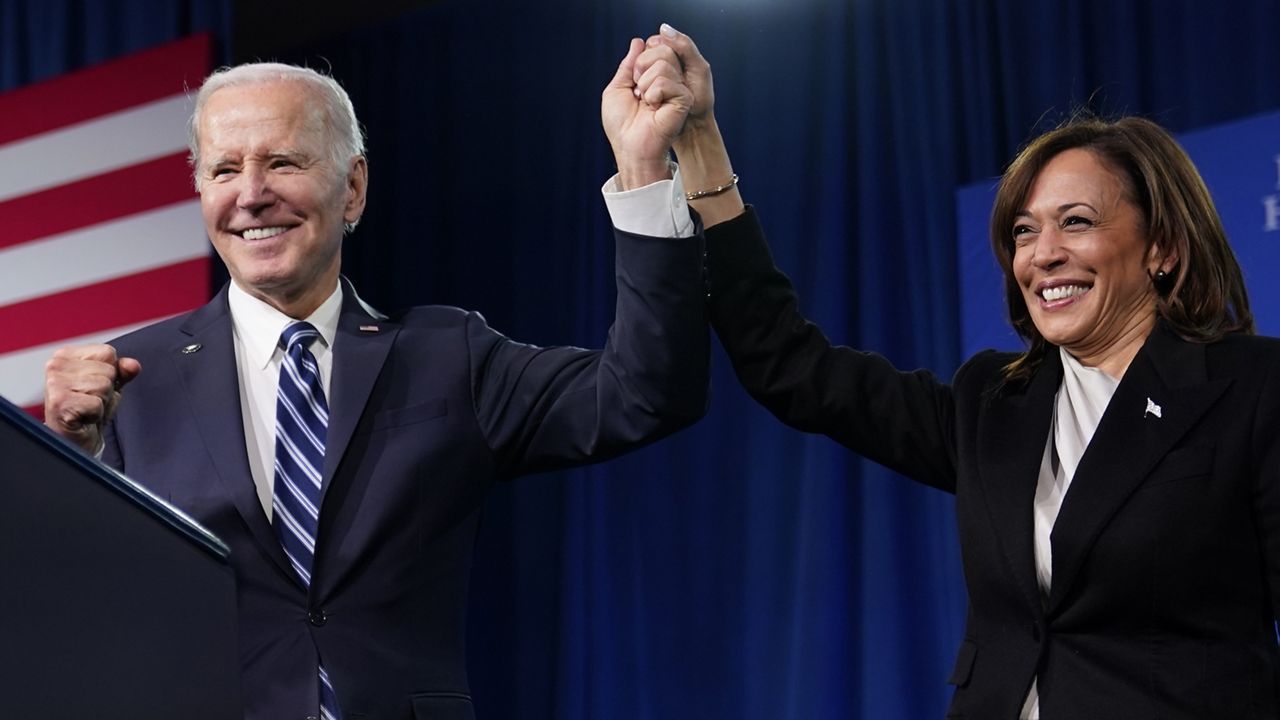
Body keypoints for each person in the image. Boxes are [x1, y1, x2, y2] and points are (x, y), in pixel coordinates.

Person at [42, 36, 708, 720]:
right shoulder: (129, 380)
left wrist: (642, 170)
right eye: (223, 170)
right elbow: (62, 608)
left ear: (352, 187)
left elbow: (646, 394)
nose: (251, 195)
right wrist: (69, 454)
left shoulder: (449, 356)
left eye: (281, 162)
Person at [636, 27, 1279, 720]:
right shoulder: (993, 401)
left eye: (1077, 222)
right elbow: (789, 365)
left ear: (1163, 247)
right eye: (1025, 231)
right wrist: (698, 142)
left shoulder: (1251, 389)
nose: (1044, 254)